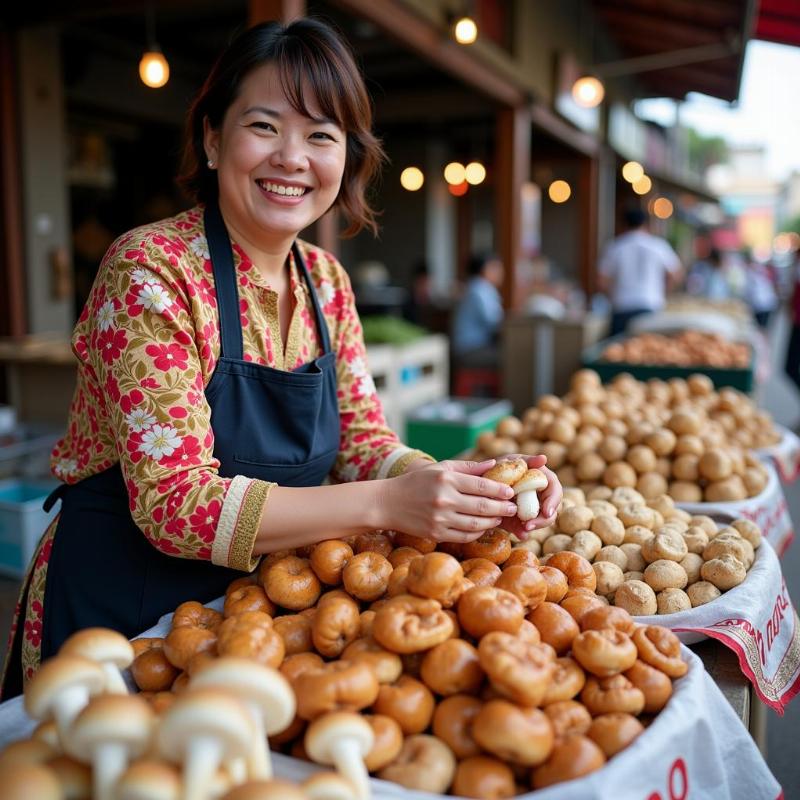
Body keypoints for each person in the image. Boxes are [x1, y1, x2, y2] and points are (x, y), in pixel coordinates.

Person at [1, 19, 561, 696]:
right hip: (119, 612)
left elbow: (361, 440)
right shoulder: (151, 271)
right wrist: (390, 502)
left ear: (346, 159)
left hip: (256, 613)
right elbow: (176, 505)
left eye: (321, 136)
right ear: (213, 138)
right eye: (264, 126)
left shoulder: (326, 281)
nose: (293, 157)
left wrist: (459, 489)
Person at [597, 208, 682, 337]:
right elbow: (676, 275)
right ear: (646, 224)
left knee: (620, 350)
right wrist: (662, 292)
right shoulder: (658, 246)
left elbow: (601, 281)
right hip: (651, 305)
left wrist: (612, 296)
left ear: (623, 224)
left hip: (622, 306)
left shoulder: (615, 247)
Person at [452, 253, 505, 366]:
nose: (501, 272)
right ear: (484, 269)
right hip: (470, 350)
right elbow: (494, 322)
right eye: (496, 267)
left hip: (468, 348)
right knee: (513, 355)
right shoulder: (480, 289)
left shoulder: (476, 287)